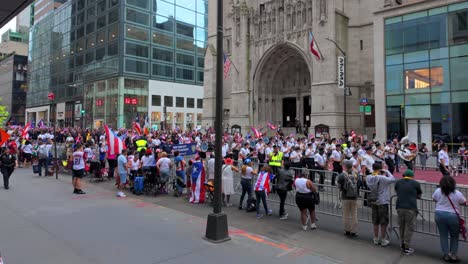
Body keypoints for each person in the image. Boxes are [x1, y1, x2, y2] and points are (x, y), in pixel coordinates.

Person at [433, 176, 467, 263]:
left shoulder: (438, 191)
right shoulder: (457, 193)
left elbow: (434, 199)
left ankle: (446, 254)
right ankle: (453, 254)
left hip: (439, 213)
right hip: (452, 215)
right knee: (454, 236)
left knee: (443, 235)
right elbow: (463, 202)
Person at [365, 162, 395, 246]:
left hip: (374, 200)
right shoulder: (382, 178)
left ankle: (375, 238)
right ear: (380, 169)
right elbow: (393, 179)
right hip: (382, 201)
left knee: (375, 221)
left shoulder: (369, 177)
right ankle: (383, 239)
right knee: (383, 222)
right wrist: (387, 171)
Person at [394, 169, 422, 255]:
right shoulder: (415, 183)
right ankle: (406, 246)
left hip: (399, 206)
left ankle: (402, 243)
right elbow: (419, 195)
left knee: (401, 226)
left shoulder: (398, 182)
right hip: (410, 207)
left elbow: (396, 191)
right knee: (409, 227)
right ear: (412, 176)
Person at [337, 160, 359, 238]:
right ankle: (354, 231)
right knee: (354, 214)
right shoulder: (355, 174)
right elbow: (358, 183)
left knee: (346, 215)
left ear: (345, 166)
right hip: (354, 197)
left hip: (345, 196)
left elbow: (339, 187)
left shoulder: (342, 175)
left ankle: (347, 230)